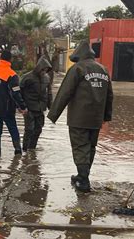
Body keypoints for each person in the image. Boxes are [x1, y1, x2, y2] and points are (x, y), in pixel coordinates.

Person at [47, 41, 113, 192]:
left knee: (80, 147)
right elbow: (110, 95)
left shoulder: (77, 69)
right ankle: (82, 175)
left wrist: (53, 114)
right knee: (90, 147)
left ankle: (83, 181)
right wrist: (107, 116)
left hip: (79, 117)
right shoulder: (104, 70)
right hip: (96, 119)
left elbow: (65, 92)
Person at [0, 50, 27, 156]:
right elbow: (16, 94)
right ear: (10, 59)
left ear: (0, 58)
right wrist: (22, 107)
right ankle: (18, 152)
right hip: (6, 109)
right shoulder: (12, 75)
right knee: (13, 129)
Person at [20, 57, 53, 151]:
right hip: (29, 107)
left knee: (38, 129)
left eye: (46, 70)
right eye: (43, 70)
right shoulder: (27, 77)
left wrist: (51, 106)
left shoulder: (46, 78)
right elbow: (19, 91)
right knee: (29, 129)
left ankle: (32, 149)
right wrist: (21, 106)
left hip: (40, 108)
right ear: (39, 68)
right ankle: (25, 150)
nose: (44, 72)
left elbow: (49, 92)